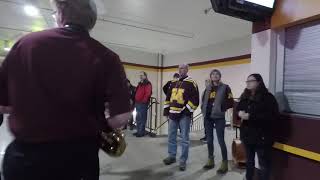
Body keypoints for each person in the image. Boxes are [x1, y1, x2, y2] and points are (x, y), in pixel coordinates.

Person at [0, 0, 131, 179]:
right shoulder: (108, 58)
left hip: (26, 160)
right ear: (91, 21)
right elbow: (122, 117)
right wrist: (100, 124)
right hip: (78, 161)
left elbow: (3, 105)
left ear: (61, 14)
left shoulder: (26, 44)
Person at [237, 74, 279, 180]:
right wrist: (239, 113)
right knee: (249, 161)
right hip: (247, 136)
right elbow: (238, 108)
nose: (248, 83)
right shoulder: (245, 96)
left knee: (263, 164)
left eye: (251, 81)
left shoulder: (268, 98)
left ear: (259, 82)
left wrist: (251, 116)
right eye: (247, 81)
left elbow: (272, 116)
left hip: (262, 137)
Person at [163, 64, 199, 171]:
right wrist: (166, 111)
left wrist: (186, 111)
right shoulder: (173, 83)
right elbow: (168, 97)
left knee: (184, 139)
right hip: (172, 114)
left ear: (187, 70)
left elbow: (195, 100)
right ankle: (172, 156)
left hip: (184, 115)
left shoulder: (192, 83)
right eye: (179, 68)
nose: (181, 70)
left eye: (183, 68)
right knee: (171, 136)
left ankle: (183, 160)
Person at [201, 69, 234, 174]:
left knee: (220, 140)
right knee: (209, 140)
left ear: (220, 76)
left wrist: (221, 108)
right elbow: (203, 100)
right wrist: (203, 109)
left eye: (217, 74)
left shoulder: (225, 87)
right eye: (213, 74)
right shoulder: (208, 88)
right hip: (208, 117)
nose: (215, 76)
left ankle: (224, 163)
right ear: (210, 77)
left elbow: (230, 101)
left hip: (219, 117)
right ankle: (211, 160)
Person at [134, 71, 152, 137]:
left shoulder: (147, 84)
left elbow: (148, 93)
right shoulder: (140, 84)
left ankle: (141, 133)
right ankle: (138, 131)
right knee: (138, 118)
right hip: (137, 103)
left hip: (142, 103)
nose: (140, 76)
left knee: (142, 118)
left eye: (142, 75)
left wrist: (143, 101)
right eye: (140, 75)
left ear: (145, 76)